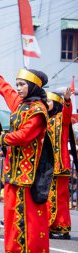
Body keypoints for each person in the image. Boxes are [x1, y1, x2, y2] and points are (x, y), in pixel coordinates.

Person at [0, 67, 52, 252]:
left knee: (28, 217)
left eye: (22, 84)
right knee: (12, 215)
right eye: (18, 84)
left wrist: (4, 138)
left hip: (28, 175)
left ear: (32, 85)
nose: (18, 88)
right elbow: (6, 91)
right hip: (13, 172)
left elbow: (25, 135)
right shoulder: (20, 104)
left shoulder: (38, 110)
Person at [46, 89, 73, 240]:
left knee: (58, 198)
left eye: (49, 102)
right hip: (48, 167)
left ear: (56, 104)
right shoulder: (45, 120)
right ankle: (56, 227)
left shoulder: (61, 119)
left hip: (60, 166)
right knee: (53, 197)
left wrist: (67, 101)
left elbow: (68, 114)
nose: (46, 104)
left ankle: (59, 227)